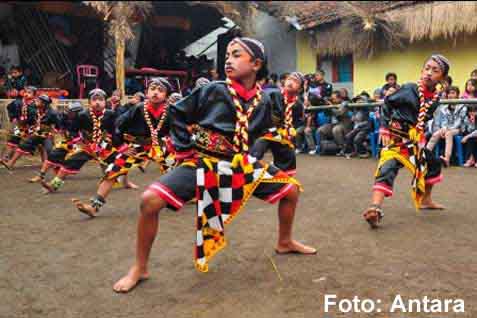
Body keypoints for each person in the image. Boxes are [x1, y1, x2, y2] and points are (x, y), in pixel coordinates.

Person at [112, 37, 316, 293]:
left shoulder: (263, 101)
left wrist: (255, 155)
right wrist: (186, 150)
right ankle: (139, 268)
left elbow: (259, 132)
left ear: (256, 64)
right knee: (149, 201)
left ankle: (284, 241)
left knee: (291, 190)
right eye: (227, 55)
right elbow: (177, 112)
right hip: (203, 162)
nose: (228, 60)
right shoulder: (214, 89)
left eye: (236, 55)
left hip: (239, 164)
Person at [363, 54, 449, 229]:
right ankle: (375, 208)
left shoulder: (435, 98)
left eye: (435, 70)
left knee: (432, 163)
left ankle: (426, 200)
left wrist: (419, 134)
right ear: (421, 71)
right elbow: (387, 103)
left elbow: (424, 118)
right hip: (397, 140)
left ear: (443, 78)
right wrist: (384, 128)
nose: (429, 73)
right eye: (427, 68)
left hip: (415, 143)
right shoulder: (409, 88)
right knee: (387, 168)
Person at [73, 78, 175, 217]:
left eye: (160, 90)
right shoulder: (139, 108)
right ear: (147, 92)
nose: (155, 92)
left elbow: (179, 130)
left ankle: (188, 196)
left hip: (160, 146)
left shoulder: (171, 112)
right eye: (152, 89)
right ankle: (94, 206)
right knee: (113, 170)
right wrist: (121, 146)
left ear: (167, 96)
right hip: (136, 147)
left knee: (177, 171)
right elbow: (118, 125)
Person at [40, 89, 116, 193]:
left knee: (118, 163)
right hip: (87, 146)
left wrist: (112, 141)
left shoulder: (111, 114)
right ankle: (54, 185)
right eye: (94, 100)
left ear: (105, 101)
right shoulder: (83, 115)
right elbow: (73, 130)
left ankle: (124, 182)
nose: (97, 102)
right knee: (69, 163)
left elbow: (115, 130)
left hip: (104, 145)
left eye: (100, 99)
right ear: (89, 102)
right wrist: (80, 142)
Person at [251, 72, 305, 176]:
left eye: (296, 81)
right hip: (263, 130)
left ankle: (280, 176)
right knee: (256, 149)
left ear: (300, 89)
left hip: (282, 133)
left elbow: (295, 122)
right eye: (290, 79)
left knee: (289, 155)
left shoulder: (298, 105)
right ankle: (246, 174)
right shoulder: (271, 94)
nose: (291, 82)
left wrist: (289, 132)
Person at [28, 101, 83, 183]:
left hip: (82, 145)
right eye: (68, 110)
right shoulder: (64, 116)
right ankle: (41, 176)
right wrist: (61, 135)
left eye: (70, 111)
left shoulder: (84, 119)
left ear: (77, 113)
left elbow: (84, 135)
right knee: (52, 156)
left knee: (103, 158)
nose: (68, 112)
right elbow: (62, 129)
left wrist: (76, 141)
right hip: (68, 142)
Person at [1, 95, 59, 170]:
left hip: (46, 134)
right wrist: (20, 124)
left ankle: (52, 165)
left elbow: (58, 125)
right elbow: (28, 120)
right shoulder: (33, 110)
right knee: (22, 145)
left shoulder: (52, 113)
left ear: (44, 104)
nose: (36, 101)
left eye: (39, 101)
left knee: (48, 149)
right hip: (34, 132)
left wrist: (54, 132)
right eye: (37, 99)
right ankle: (10, 163)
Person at [426, 86, 466, 167]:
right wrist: (444, 128)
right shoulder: (443, 106)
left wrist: (448, 130)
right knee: (436, 134)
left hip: (458, 129)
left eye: (453, 93)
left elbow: (459, 122)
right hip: (446, 128)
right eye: (449, 93)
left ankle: (446, 158)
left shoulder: (462, 106)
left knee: (449, 134)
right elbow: (443, 121)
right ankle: (425, 155)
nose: (450, 95)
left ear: (457, 95)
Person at [1, 86, 37, 162]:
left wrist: (34, 124)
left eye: (29, 93)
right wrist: (13, 118)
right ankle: (5, 157)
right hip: (20, 124)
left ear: (34, 95)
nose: (26, 94)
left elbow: (38, 116)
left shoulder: (36, 104)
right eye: (26, 92)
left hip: (31, 126)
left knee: (33, 142)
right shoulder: (18, 102)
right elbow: (9, 108)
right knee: (14, 139)